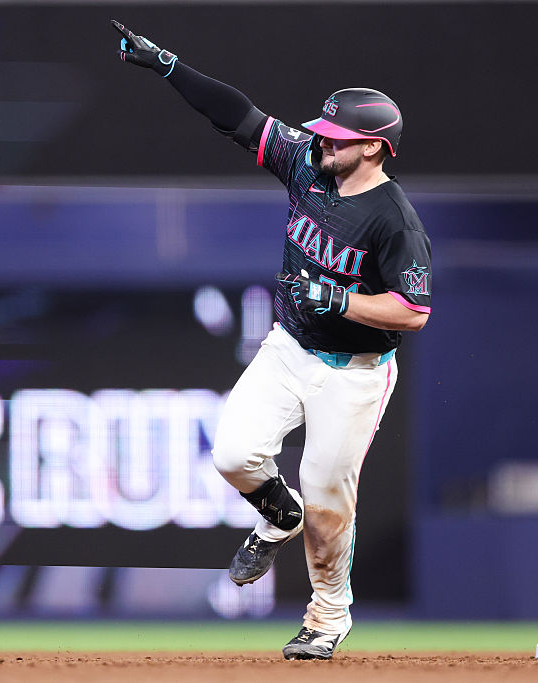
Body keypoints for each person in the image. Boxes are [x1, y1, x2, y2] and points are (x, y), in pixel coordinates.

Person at [112, 21, 432, 660]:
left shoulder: (395, 220)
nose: (321, 141)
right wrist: (169, 66)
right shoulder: (308, 165)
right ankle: (277, 515)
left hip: (356, 370)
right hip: (289, 346)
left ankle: (328, 615)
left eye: (337, 138)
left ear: (373, 148)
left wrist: (340, 299)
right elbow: (239, 116)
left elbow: (413, 310)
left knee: (328, 503)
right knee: (233, 454)